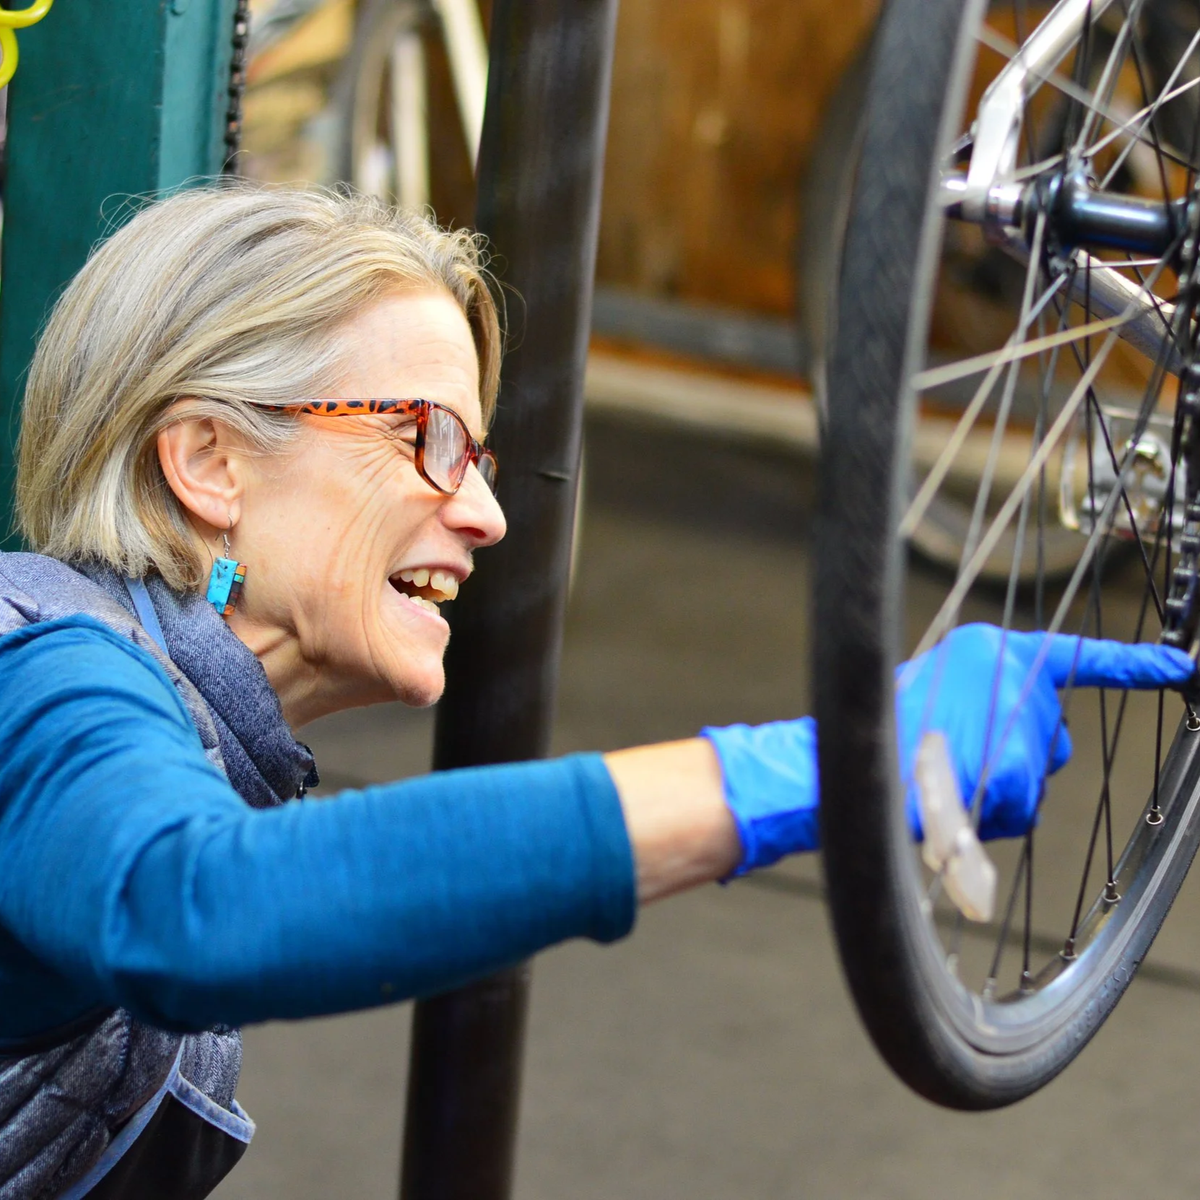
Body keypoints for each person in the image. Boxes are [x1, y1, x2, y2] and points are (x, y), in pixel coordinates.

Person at [0, 184, 1189, 1200]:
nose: (486, 512)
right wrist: (825, 764)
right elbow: (191, 907)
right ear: (208, 459)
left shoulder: (174, 735)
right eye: (431, 440)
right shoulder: (41, 663)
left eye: (482, 458)